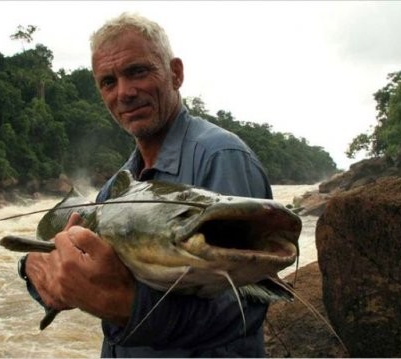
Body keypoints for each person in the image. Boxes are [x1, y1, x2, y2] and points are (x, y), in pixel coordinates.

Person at [23, 12, 273, 357]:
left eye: (137, 71)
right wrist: (35, 271)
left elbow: (245, 307)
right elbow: (80, 273)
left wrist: (126, 305)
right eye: (108, 82)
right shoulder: (117, 186)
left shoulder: (221, 155)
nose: (124, 92)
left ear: (176, 73)